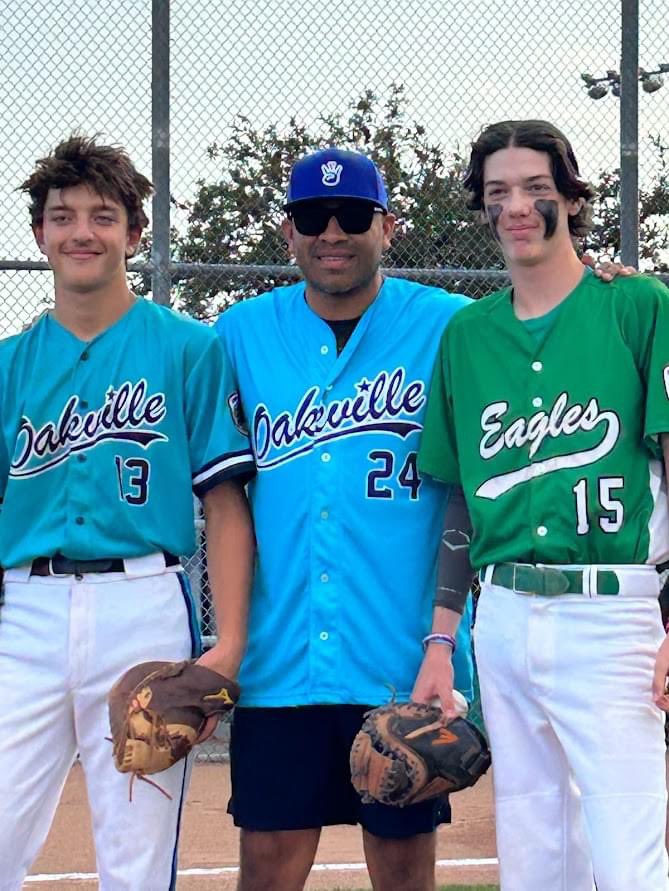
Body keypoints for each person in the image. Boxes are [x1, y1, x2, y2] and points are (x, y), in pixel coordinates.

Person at [215, 148, 476, 891]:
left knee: (401, 871)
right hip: (279, 658)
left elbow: (537, 324)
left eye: (353, 215)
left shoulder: (449, 326)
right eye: (311, 217)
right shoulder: (239, 333)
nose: (332, 231)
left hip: (397, 657)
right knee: (266, 869)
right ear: (288, 231)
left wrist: (605, 278)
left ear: (387, 227)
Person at [418, 119, 669, 891]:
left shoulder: (635, 307)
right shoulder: (467, 336)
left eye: (535, 188)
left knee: (628, 857)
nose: (517, 206)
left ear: (569, 196)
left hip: (614, 612)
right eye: (498, 193)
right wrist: (440, 640)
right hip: (503, 619)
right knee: (533, 858)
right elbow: (462, 495)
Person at [0, 135, 256, 890]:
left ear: (135, 234)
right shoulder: (9, 363)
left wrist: (229, 644)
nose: (82, 231)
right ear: (39, 233)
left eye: (103, 216)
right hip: (26, 609)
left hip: (142, 604)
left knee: (137, 853)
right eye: (63, 215)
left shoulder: (188, 348)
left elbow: (225, 503)